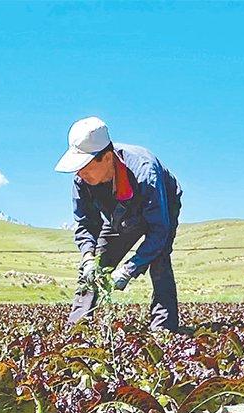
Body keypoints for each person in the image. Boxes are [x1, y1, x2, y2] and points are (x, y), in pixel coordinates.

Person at [55, 117, 182, 331]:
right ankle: (76, 327)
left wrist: (128, 270)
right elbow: (86, 224)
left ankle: (164, 328)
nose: (79, 173)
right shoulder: (82, 181)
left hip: (161, 204)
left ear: (106, 158)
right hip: (120, 215)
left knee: (159, 257)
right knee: (96, 265)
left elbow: (158, 231)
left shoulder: (144, 173)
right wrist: (87, 257)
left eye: (84, 167)